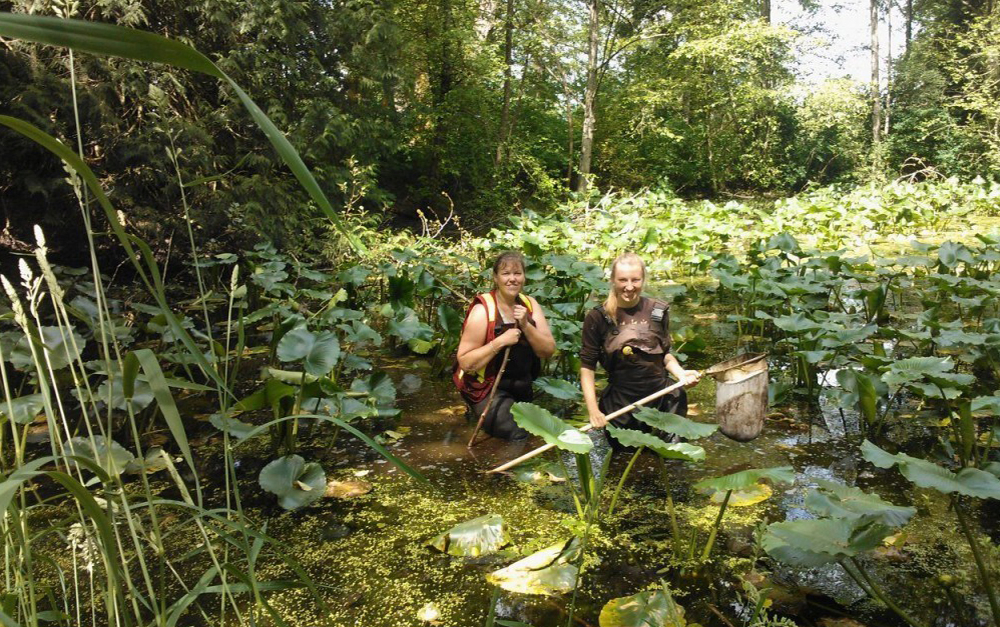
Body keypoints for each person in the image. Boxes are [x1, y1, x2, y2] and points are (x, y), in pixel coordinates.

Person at [580, 253, 700, 443]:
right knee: (625, 462)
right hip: (621, 402)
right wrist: (593, 410)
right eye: (622, 280)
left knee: (673, 460)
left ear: (643, 279)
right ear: (612, 280)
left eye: (635, 280)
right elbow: (587, 368)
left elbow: (665, 354)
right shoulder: (598, 318)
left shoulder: (658, 311)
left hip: (663, 397)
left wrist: (681, 374)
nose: (629, 286)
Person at [454, 251, 556, 439]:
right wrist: (500, 342)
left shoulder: (530, 305)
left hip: (522, 387)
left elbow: (547, 350)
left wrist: (526, 325)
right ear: (495, 278)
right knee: (517, 434)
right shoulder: (483, 310)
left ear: (524, 277)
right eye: (506, 273)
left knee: (541, 433)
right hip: (488, 390)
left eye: (517, 273)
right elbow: (466, 363)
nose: (512, 279)